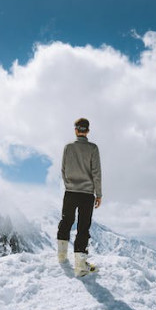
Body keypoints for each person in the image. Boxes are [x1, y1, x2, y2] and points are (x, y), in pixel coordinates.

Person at [57, 118, 102, 276]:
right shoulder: (93, 148)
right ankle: (81, 266)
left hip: (70, 192)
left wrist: (69, 185)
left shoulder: (68, 147)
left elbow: (63, 170)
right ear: (87, 131)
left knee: (66, 221)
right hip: (87, 194)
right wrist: (99, 194)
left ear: (76, 130)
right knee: (83, 227)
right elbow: (96, 173)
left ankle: (62, 257)